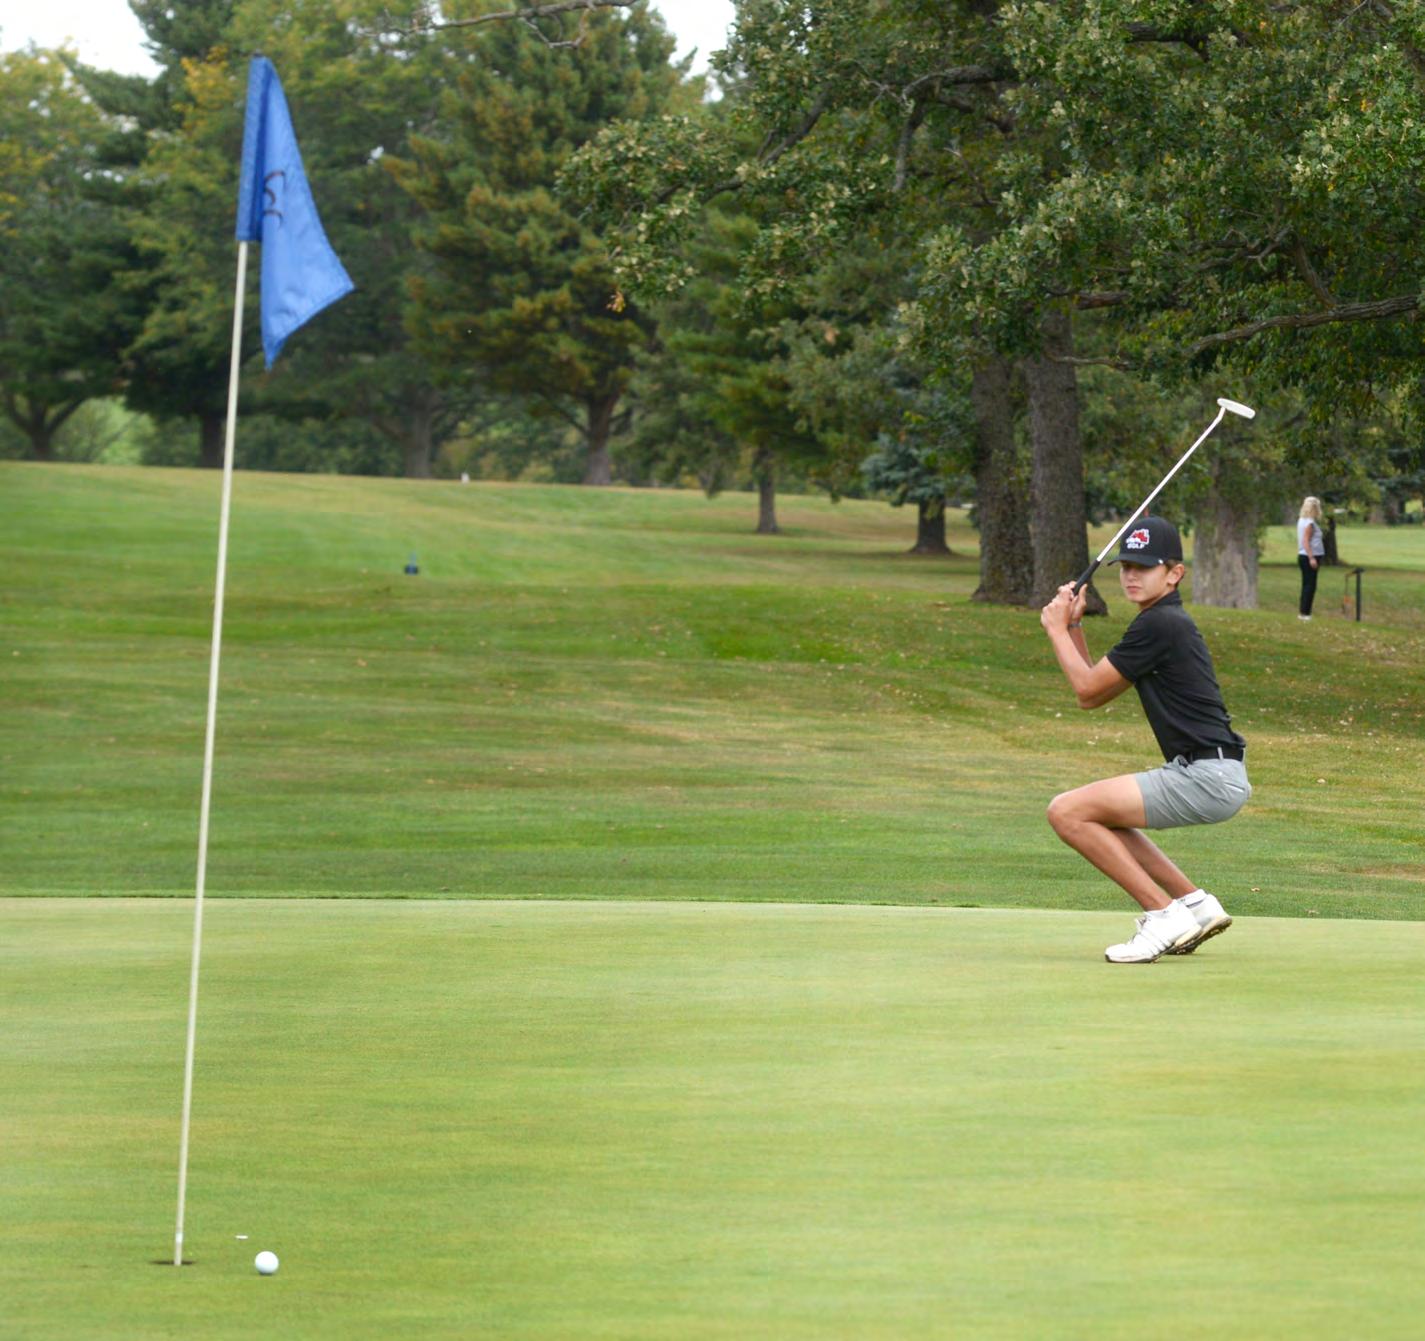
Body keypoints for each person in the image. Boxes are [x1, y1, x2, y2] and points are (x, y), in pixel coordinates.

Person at [1039, 516, 1251, 963]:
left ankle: (1162, 915)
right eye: (1126, 566)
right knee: (1101, 815)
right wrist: (1074, 628)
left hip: (1206, 776)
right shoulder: (1159, 622)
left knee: (1067, 811)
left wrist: (1055, 629)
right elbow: (1093, 692)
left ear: (1175, 574)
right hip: (1210, 771)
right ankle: (1195, 905)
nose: (1131, 576)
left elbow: (1086, 690)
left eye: (1145, 567)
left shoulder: (1160, 625)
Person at [1297, 496, 1325, 619]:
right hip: (1309, 556)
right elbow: (1305, 541)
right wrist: (1311, 558)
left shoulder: (1302, 520)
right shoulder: (1309, 523)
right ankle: (1305, 613)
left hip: (1303, 556)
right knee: (1310, 585)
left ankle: (1303, 611)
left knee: (1306, 584)